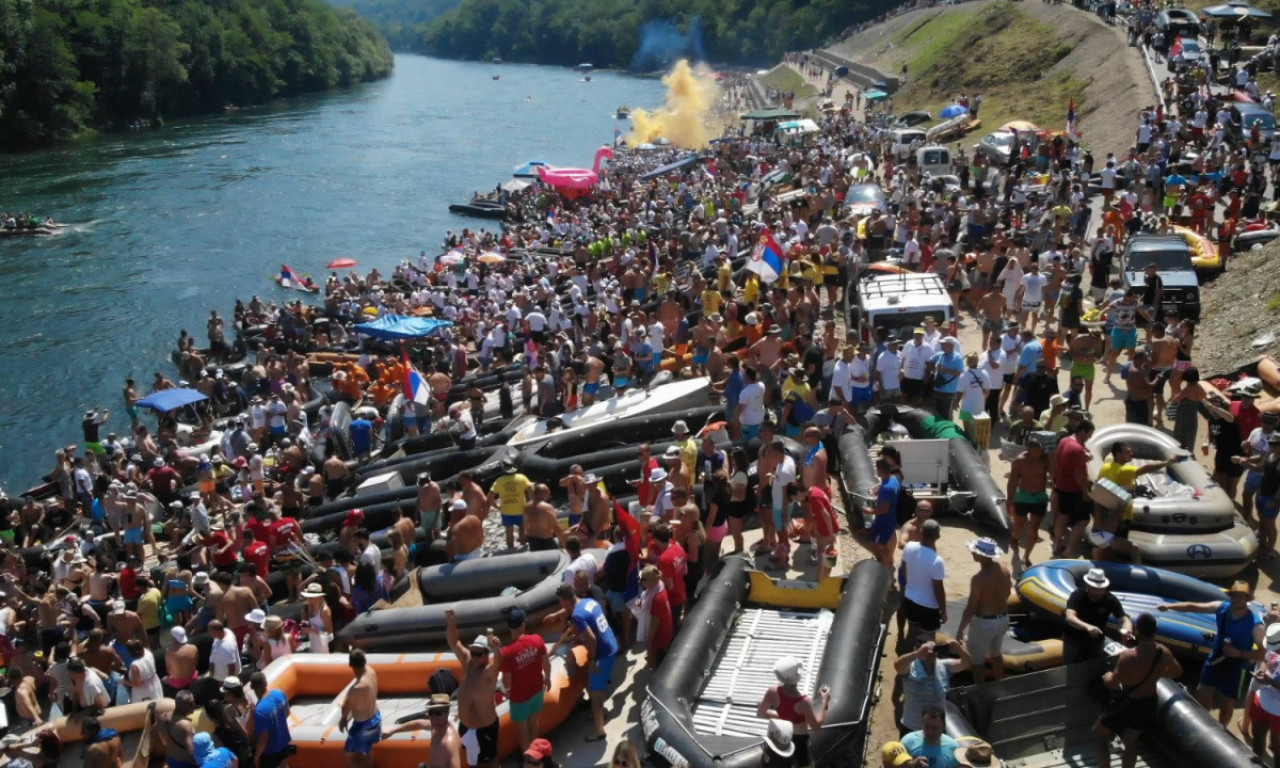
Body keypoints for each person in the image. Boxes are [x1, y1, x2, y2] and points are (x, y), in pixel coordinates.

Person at [1158, 580, 1265, 726]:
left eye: (1242, 596)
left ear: (1247, 599)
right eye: (1234, 595)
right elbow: (1194, 607)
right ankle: (1204, 724)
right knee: (1202, 693)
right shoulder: (1222, 608)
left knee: (1227, 703)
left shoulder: (1255, 625)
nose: (1237, 599)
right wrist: (1170, 606)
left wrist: (1239, 653)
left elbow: (1263, 654)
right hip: (1215, 660)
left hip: (1237, 668)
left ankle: (1223, 729)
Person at [1093, 613, 1182, 768]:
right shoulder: (1163, 652)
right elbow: (1177, 671)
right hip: (1149, 703)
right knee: (1130, 742)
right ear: (1155, 630)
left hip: (1127, 703)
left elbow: (1112, 683)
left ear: (1137, 630)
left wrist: (1106, 676)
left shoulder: (1128, 656)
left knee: (1099, 735)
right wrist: (1157, 674)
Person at [549, 582, 618, 742]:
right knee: (596, 686)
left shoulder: (577, 616)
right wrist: (580, 638)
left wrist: (593, 659)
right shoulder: (588, 601)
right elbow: (593, 626)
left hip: (602, 654)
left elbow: (592, 638)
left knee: (595, 694)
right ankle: (602, 713)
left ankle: (599, 731)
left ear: (564, 600)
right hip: (611, 643)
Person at [444, 609, 502, 768]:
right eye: (473, 652)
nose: (474, 656)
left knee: (490, 763)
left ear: (486, 654)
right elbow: (454, 642)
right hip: (466, 726)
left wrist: (497, 648)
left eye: (478, 654)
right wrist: (451, 622)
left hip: (485, 728)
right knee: (473, 763)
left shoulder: (489, 672)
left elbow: (498, 664)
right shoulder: (467, 662)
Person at [756, 655, 830, 767]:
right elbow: (816, 727)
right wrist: (825, 702)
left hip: (778, 738)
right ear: (798, 677)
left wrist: (782, 717)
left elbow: (761, 713)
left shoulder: (772, 692)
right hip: (799, 741)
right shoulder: (804, 702)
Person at [956, 538, 1012, 685]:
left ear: (982, 555)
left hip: (985, 623)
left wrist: (961, 629)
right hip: (1003, 618)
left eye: (975, 552)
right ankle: (1000, 686)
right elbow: (1007, 593)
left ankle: (980, 690)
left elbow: (971, 607)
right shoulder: (1005, 569)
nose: (972, 553)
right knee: (996, 654)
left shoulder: (978, 579)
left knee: (977, 661)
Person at [895, 640, 971, 732]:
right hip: (912, 726)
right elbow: (897, 665)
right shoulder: (910, 668)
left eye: (934, 650)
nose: (931, 653)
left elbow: (966, 663)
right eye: (926, 650)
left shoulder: (944, 666)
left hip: (936, 728)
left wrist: (960, 650)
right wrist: (917, 654)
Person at [501, 608, 550, 751]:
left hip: (519, 698)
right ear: (523, 625)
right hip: (537, 690)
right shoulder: (536, 639)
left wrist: (507, 691)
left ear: (509, 628)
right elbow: (546, 662)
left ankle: (528, 759)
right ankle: (537, 754)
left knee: (522, 730)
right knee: (533, 722)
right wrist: (547, 677)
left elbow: (506, 681)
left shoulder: (507, 652)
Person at [1064, 567, 1133, 663]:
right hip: (1075, 638)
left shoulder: (1110, 599)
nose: (1099, 592)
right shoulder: (1077, 595)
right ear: (1087, 585)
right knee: (1072, 663)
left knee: (1095, 665)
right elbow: (1070, 617)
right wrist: (1087, 627)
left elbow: (1124, 619)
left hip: (1097, 640)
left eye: (1101, 589)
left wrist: (1127, 630)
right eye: (1095, 589)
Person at [381, 692, 462, 768]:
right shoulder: (437, 726)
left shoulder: (448, 743)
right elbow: (418, 724)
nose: (433, 717)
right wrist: (393, 730)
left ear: (447, 712)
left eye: (438, 713)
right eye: (431, 712)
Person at [1052, 420, 1095, 559]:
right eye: (1089, 434)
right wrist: (1085, 493)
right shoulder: (1076, 449)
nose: (1090, 437)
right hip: (1074, 489)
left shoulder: (1065, 440)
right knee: (1083, 521)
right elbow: (1079, 474)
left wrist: (1084, 451)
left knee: (1063, 516)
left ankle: (1057, 544)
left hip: (1061, 485)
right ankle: (1069, 550)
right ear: (1083, 431)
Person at [1006, 437, 1051, 569]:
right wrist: (1010, 500)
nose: (1039, 453)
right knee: (1019, 525)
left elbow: (1054, 472)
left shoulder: (1045, 459)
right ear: (1029, 449)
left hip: (1039, 497)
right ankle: (1015, 537)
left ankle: (1026, 556)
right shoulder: (1020, 461)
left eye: (1041, 450)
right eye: (1036, 451)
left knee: (1034, 528)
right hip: (1023, 496)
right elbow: (1013, 481)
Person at [900, 519, 946, 645]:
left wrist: (912, 583)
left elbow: (904, 567)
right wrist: (943, 610)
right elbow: (938, 589)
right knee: (928, 640)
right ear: (938, 535)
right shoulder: (937, 560)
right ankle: (922, 663)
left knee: (912, 630)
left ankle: (907, 657)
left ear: (921, 532)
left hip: (910, 598)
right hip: (928, 606)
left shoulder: (908, 547)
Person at [339, 649, 381, 768]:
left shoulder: (356, 688)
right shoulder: (371, 671)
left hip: (363, 726)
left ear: (350, 665)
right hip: (375, 718)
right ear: (364, 661)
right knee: (364, 753)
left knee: (347, 755)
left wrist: (343, 719)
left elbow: (345, 709)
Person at [252, 671, 293, 768]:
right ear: (266, 683)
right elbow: (287, 713)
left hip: (271, 753)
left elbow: (263, 739)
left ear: (252, 688)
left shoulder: (259, 711)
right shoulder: (279, 693)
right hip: (284, 743)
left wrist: (256, 756)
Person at [489, 462, 532, 550]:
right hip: (521, 509)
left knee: (509, 532)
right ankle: (524, 548)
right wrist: (530, 504)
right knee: (522, 529)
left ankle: (511, 550)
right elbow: (532, 491)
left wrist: (496, 506)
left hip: (506, 511)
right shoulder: (522, 478)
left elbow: (490, 497)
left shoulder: (499, 481)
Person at [868, 458, 901, 568]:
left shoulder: (887, 488)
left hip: (883, 520)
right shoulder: (894, 480)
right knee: (890, 537)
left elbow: (884, 509)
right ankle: (889, 559)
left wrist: (870, 511)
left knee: (875, 545)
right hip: (892, 517)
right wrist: (878, 491)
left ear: (880, 470)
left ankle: (884, 567)